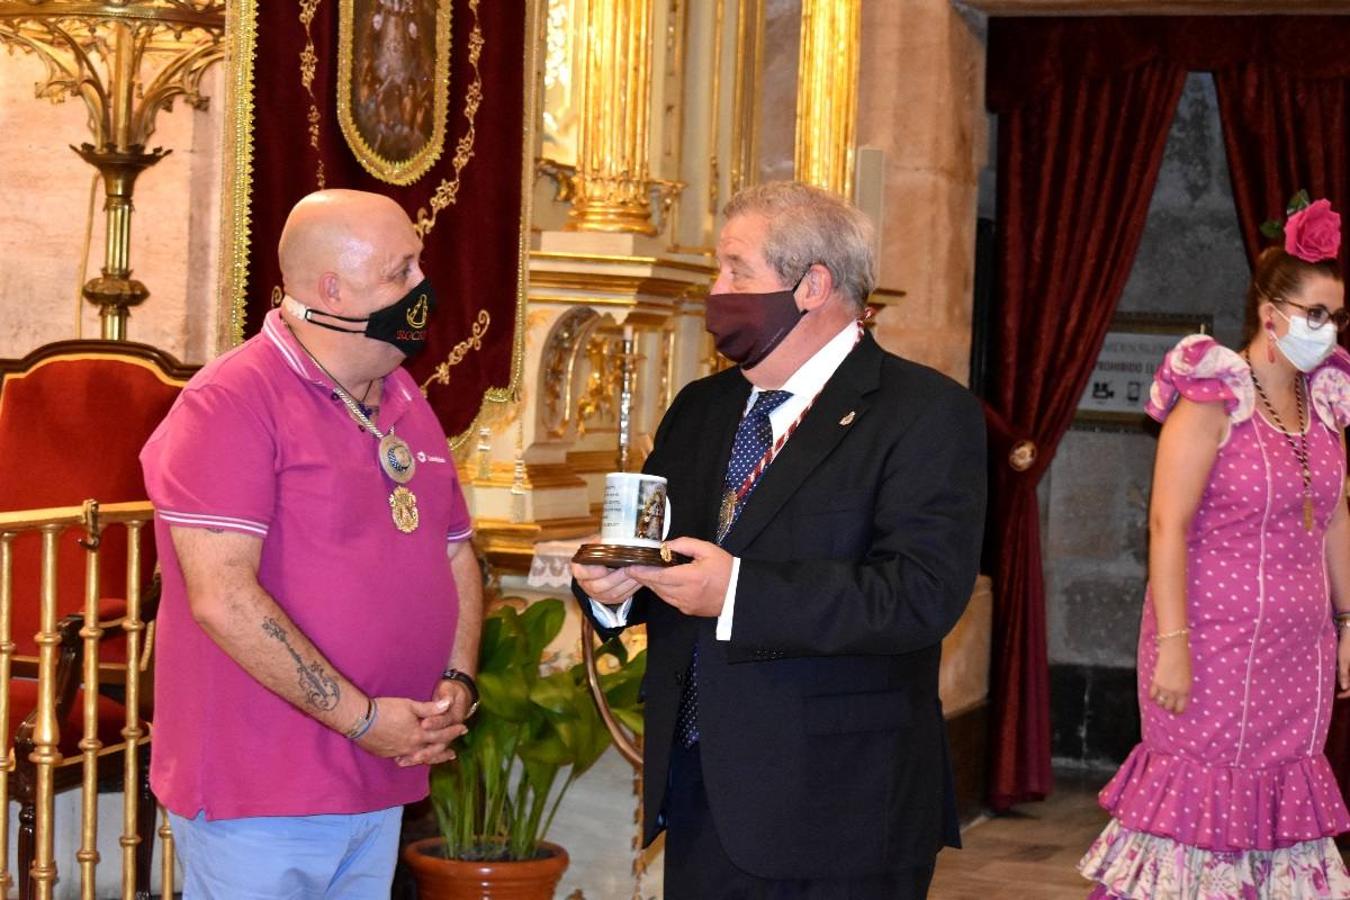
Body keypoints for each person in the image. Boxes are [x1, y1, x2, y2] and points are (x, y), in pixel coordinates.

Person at [571, 181, 987, 899]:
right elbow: (660, 558)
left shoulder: (924, 413)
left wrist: (737, 592)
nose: (716, 289)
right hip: (703, 791)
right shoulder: (702, 408)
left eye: (737, 269)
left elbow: (920, 596)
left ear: (812, 285)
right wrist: (612, 592)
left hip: (841, 807)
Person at [140, 189, 482, 898]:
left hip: (377, 773)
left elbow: (453, 551)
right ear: (333, 289)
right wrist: (362, 719)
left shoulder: (405, 399)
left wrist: (458, 680)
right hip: (262, 788)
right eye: (401, 272)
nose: (423, 288)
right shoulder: (231, 401)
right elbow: (223, 597)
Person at [1079, 198, 1350, 897]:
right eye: (1316, 313)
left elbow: (1337, 516)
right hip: (1209, 646)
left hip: (1300, 656)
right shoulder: (1213, 388)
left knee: (1279, 806)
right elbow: (1166, 523)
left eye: (1337, 316)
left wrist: (1349, 626)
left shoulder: (1325, 400)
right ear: (1270, 311)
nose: (1328, 330)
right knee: (1198, 802)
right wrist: (1173, 641)